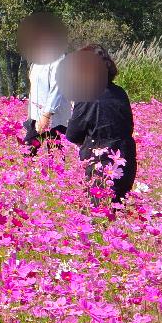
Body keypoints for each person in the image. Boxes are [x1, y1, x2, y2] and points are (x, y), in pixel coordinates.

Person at [64, 45, 137, 204]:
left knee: (98, 212)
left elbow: (73, 134)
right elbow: (128, 126)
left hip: (100, 162)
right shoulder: (120, 92)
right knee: (117, 210)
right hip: (125, 159)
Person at [25, 27, 71, 155]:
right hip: (36, 116)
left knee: (55, 155)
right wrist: (31, 115)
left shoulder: (59, 59)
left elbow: (57, 88)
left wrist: (46, 115)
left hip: (54, 118)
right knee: (28, 153)